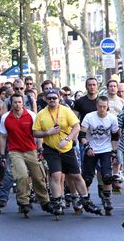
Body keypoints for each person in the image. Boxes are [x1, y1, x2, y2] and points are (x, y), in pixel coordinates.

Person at [33, 89, 102, 217]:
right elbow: (35, 132)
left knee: (76, 175)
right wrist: (47, 133)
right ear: (46, 100)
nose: (52, 100)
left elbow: (76, 126)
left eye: (55, 98)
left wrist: (68, 139)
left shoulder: (66, 111)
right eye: (50, 98)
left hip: (67, 148)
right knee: (56, 175)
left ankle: (86, 200)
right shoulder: (41, 114)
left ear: (59, 98)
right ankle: (57, 201)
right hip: (51, 149)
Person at [0, 93, 53, 217]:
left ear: (23, 103)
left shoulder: (31, 115)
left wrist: (40, 149)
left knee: (38, 177)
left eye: (19, 102)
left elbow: (38, 133)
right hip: (14, 151)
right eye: (15, 102)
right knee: (22, 176)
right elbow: (2, 136)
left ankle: (45, 202)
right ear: (11, 104)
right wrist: (2, 155)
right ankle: (23, 202)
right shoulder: (5, 117)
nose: (17, 105)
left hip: (31, 150)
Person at [79, 96, 118, 215]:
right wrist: (87, 147)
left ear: (107, 107)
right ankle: (85, 199)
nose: (102, 109)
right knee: (87, 178)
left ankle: (107, 200)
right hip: (92, 149)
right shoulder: (89, 117)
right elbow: (81, 136)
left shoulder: (112, 118)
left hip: (106, 149)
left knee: (107, 176)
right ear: (96, 106)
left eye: (104, 107)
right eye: (100, 106)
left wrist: (114, 151)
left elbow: (115, 136)